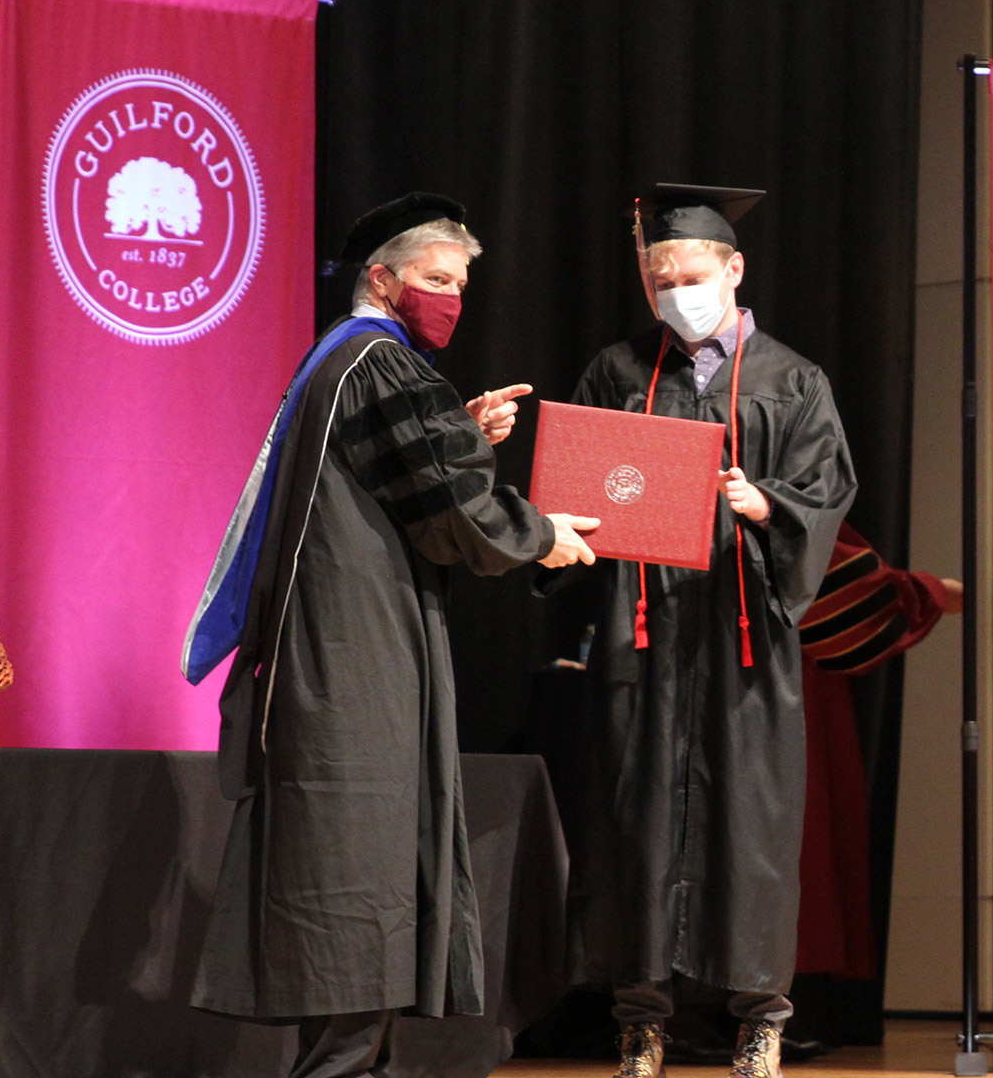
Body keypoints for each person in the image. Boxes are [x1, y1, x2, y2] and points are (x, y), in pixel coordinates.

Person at [183, 192, 597, 1078]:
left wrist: (461, 435)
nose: (450, 298)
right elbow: (449, 512)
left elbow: (401, 473)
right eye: (435, 279)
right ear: (382, 277)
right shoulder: (379, 365)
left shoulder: (346, 364)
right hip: (353, 658)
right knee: (359, 868)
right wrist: (543, 534)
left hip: (338, 645)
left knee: (360, 867)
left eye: (459, 283)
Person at [551, 184, 856, 1078]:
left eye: (691, 275)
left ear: (733, 270)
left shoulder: (792, 381)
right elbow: (574, 486)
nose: (676, 292)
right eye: (660, 280)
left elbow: (827, 493)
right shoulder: (617, 372)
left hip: (741, 636)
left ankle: (760, 1019)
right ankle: (639, 1020)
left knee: (750, 827)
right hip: (641, 635)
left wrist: (767, 504)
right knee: (633, 823)